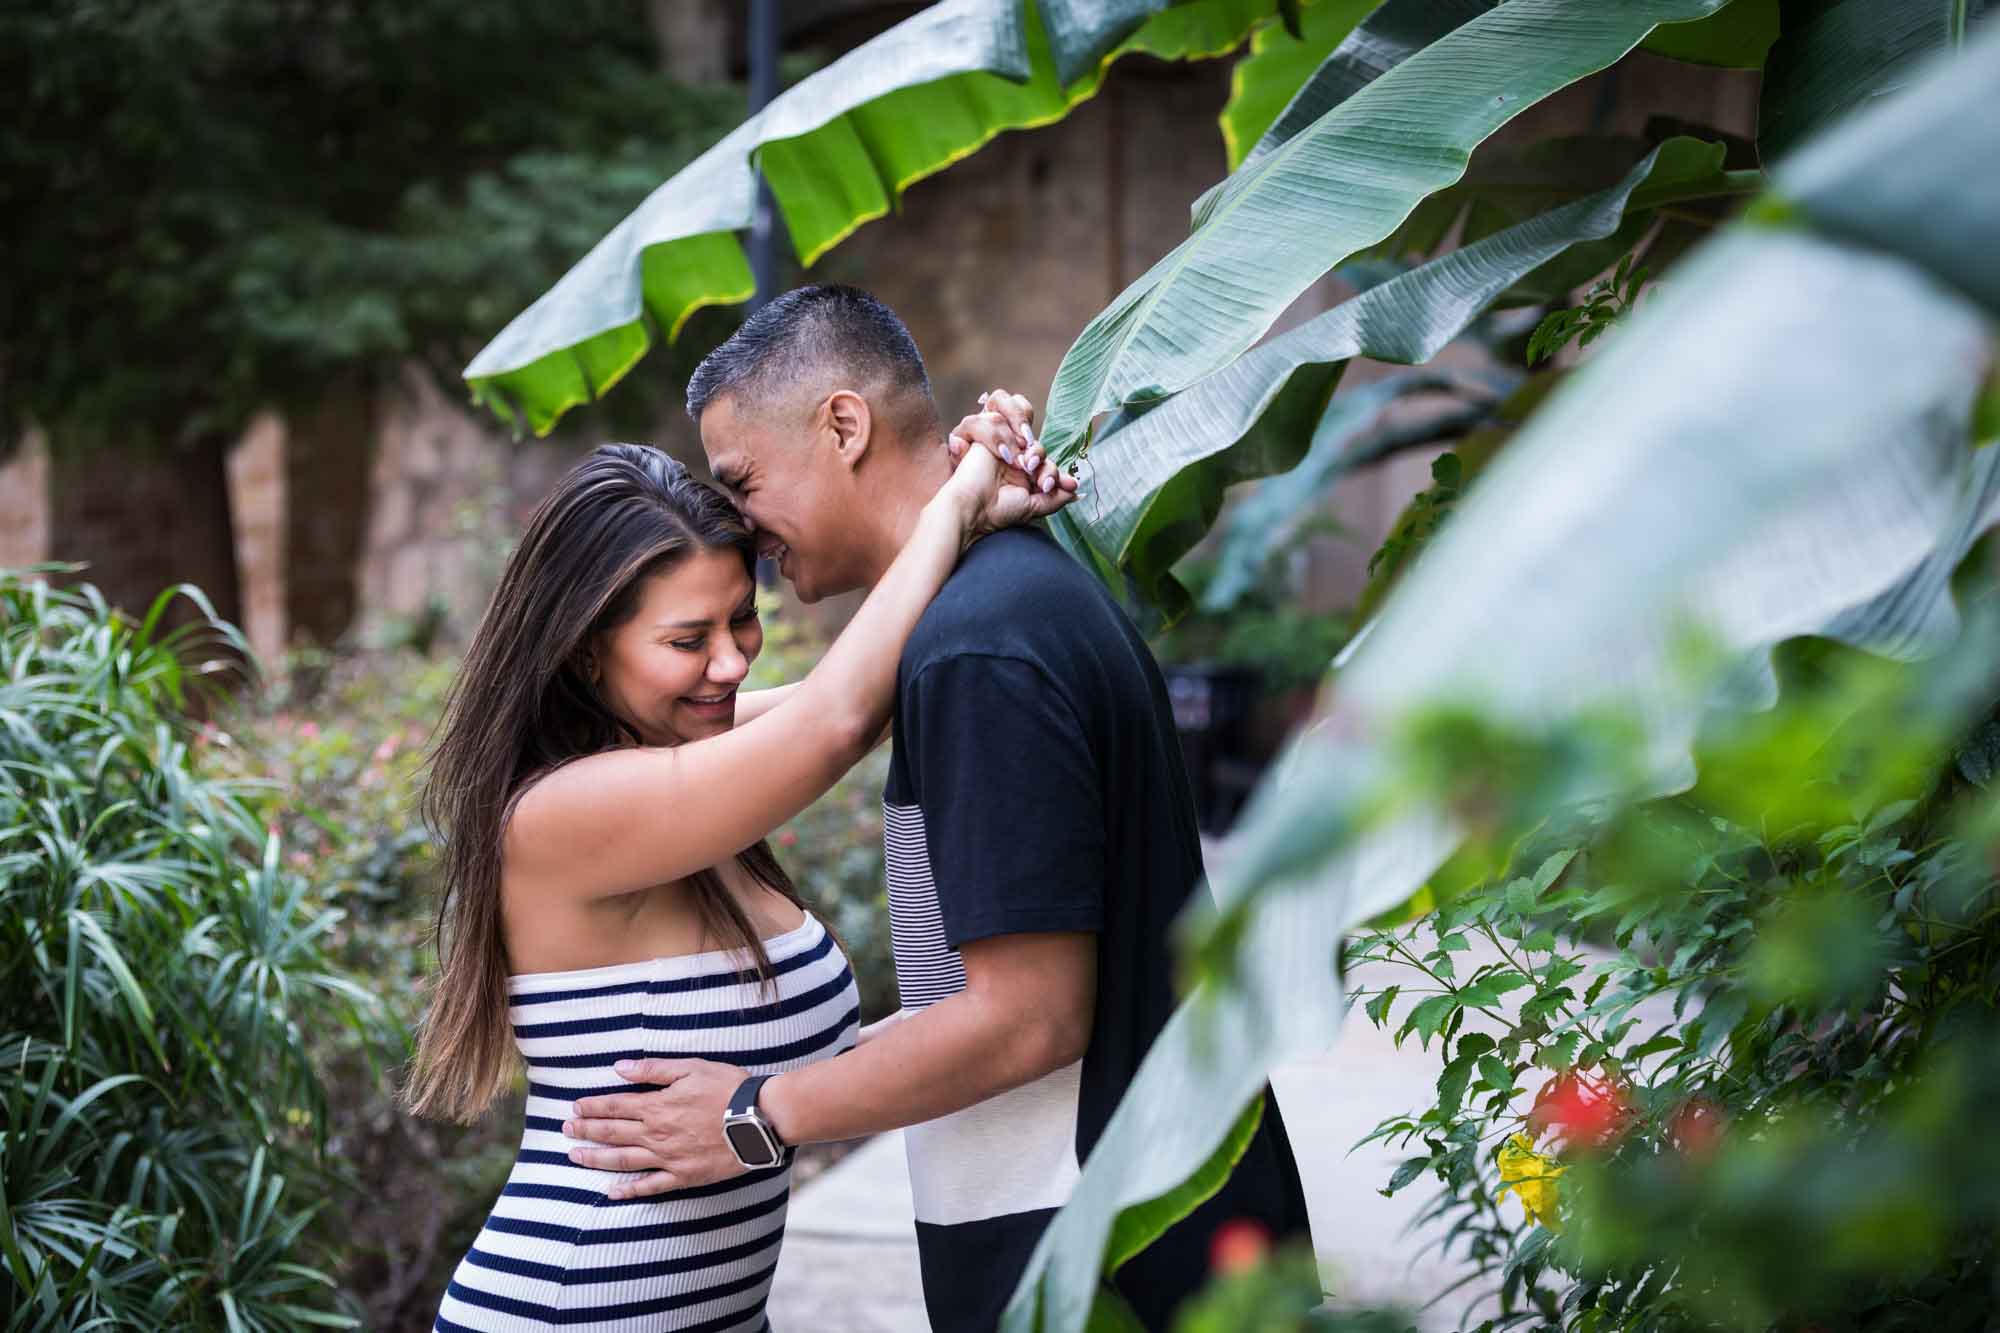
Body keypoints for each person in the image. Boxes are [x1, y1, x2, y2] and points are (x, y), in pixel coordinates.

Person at [562, 285, 1313, 1330]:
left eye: (740, 480)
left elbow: (1028, 1016)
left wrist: (755, 1112)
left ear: (842, 425)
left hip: (1095, 1246)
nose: (737, 523)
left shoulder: (976, 650)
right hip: (1144, 1209)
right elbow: (824, 710)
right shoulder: (997, 604)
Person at [406, 431, 1074, 1332]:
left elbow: (859, 697)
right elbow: (836, 719)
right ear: (583, 653)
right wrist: (948, 506)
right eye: (688, 639)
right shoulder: (563, 813)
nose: (731, 662)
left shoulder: (685, 759)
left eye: (741, 619)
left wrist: (976, 525)